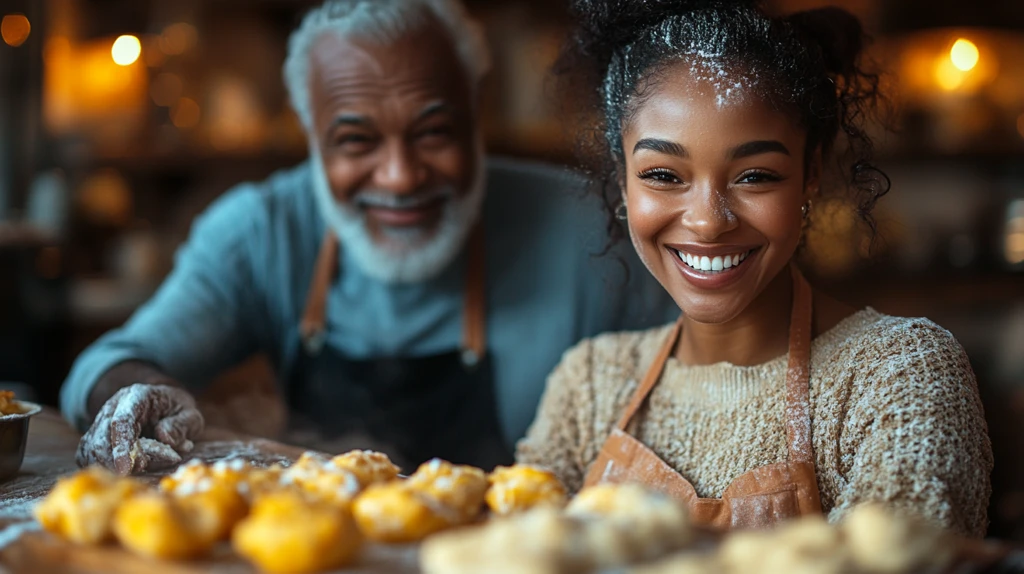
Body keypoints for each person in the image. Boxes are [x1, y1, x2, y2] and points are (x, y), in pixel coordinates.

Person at [62, 0, 676, 475]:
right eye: (356, 141)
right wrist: (142, 397)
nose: (400, 177)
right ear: (310, 136)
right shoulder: (263, 231)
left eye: (433, 133)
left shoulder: (592, 226)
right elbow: (104, 365)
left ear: (476, 113)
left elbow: (708, 376)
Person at [517, 0, 993, 537]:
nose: (708, 222)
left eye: (755, 176)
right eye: (663, 175)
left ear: (810, 174)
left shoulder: (897, 372)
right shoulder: (589, 386)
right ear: (623, 179)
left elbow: (900, 556)